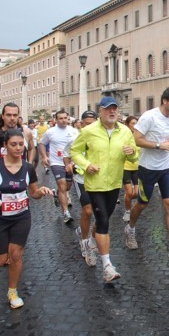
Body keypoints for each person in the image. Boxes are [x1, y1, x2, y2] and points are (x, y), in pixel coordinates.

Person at [0, 127, 53, 308]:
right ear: (5, 145)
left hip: (21, 218)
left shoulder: (27, 168)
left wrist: (41, 191)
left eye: (21, 144)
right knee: (1, 260)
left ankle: (12, 291)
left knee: (16, 255)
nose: (18, 148)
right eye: (13, 145)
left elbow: (33, 193)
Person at [71, 97, 138, 282]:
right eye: (108, 109)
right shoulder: (88, 131)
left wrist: (133, 154)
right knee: (103, 221)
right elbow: (75, 152)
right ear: (101, 111)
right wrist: (86, 165)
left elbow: (134, 156)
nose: (112, 112)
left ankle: (90, 242)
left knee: (104, 218)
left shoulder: (125, 131)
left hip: (115, 183)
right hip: (95, 183)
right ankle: (107, 266)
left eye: (115, 109)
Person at [124, 87, 169, 259]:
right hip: (148, 168)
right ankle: (130, 228)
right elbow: (136, 140)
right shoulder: (149, 116)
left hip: (167, 167)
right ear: (164, 101)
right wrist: (159, 146)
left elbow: (165, 140)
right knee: (142, 203)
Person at [63, 110, 99, 267]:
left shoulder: (101, 137)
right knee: (88, 210)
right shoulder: (74, 138)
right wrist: (68, 165)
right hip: (81, 179)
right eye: (86, 124)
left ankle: (89, 237)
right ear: (81, 124)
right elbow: (66, 155)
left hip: (100, 180)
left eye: (93, 124)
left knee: (101, 215)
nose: (89, 127)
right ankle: (85, 243)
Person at [39, 109, 79, 223]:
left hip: (70, 163)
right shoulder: (50, 132)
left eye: (65, 118)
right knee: (62, 186)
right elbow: (42, 143)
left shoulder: (74, 131)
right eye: (60, 118)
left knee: (67, 187)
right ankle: (66, 213)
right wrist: (44, 157)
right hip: (56, 162)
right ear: (56, 120)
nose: (63, 120)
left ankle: (56, 194)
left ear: (68, 118)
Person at [122, 116, 140, 222]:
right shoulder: (124, 136)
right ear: (128, 124)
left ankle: (127, 199)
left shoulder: (139, 136)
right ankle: (128, 211)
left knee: (136, 194)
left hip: (137, 167)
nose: (135, 125)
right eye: (133, 123)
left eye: (136, 123)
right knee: (129, 193)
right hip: (126, 167)